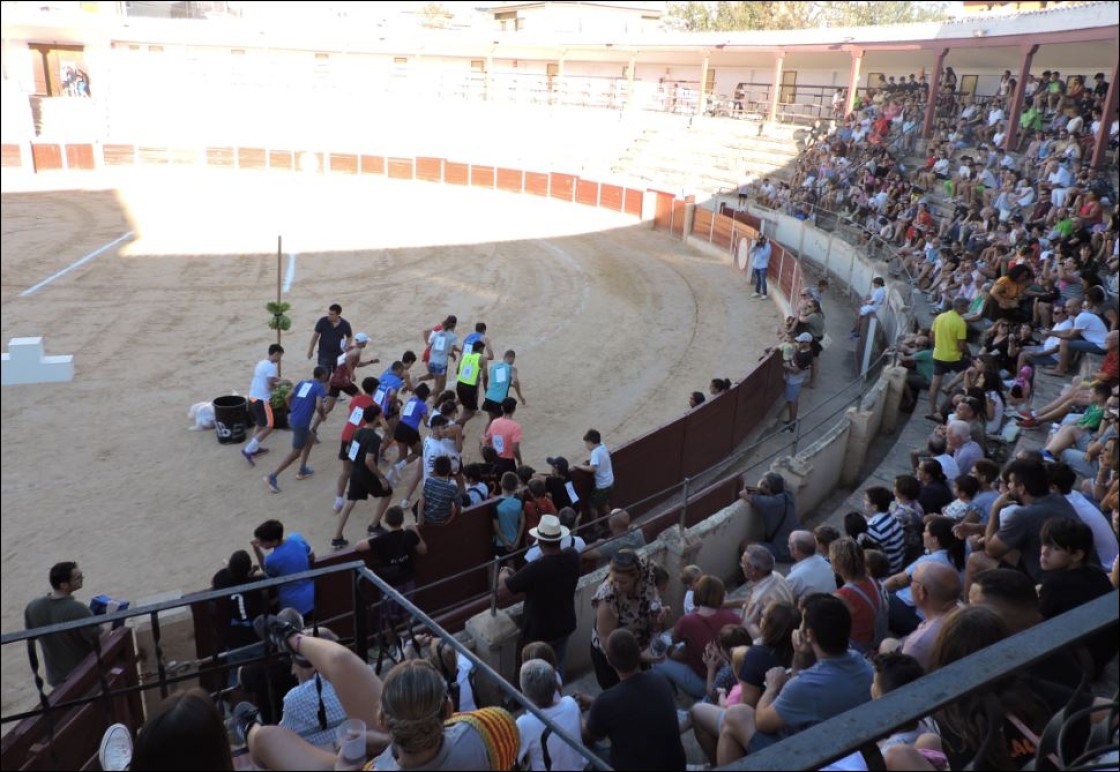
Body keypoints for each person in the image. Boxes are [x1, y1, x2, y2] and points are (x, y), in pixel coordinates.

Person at [237, 618, 519, 771]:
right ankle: (250, 725)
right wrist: (387, 742)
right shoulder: (494, 726)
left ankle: (294, 641)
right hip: (409, 749)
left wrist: (351, 755)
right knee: (269, 738)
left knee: (267, 739)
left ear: (383, 720)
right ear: (447, 709)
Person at [715, 594, 874, 765]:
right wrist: (799, 653)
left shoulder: (805, 686)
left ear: (810, 634)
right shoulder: (861, 662)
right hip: (846, 744)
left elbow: (761, 722)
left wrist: (772, 687)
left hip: (812, 757)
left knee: (735, 715)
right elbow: (803, 682)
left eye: (802, 622)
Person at [583, 628, 687, 771]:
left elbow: (587, 737)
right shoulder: (659, 679)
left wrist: (571, 710)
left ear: (608, 660)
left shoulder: (605, 703)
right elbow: (633, 706)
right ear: (639, 652)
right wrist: (595, 704)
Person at [499, 514, 581, 677]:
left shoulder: (535, 568)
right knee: (557, 669)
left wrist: (503, 573)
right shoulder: (572, 556)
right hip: (565, 624)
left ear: (540, 543)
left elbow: (502, 591)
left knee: (532, 676)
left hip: (539, 633)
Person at [653, 575, 742, 699]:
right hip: (730, 680)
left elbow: (669, 641)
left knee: (655, 660)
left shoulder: (687, 621)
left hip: (704, 684)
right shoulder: (732, 617)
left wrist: (657, 629)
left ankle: (671, 696)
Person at [588, 549, 662, 690]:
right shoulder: (608, 597)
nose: (617, 585)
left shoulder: (646, 574)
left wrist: (657, 612)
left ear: (636, 576)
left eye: (623, 582)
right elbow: (607, 640)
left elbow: (652, 595)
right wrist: (639, 657)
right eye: (614, 579)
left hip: (641, 647)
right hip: (615, 658)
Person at [882, 516, 964, 637]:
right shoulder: (960, 556)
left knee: (879, 598)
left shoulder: (931, 560)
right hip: (933, 613)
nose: (923, 533)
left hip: (914, 611)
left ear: (934, 539)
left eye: (926, 531)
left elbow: (897, 581)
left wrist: (877, 589)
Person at [355, 506, 427, 641]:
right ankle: (409, 640)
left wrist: (374, 539)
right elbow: (423, 550)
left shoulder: (382, 539)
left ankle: (392, 643)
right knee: (407, 613)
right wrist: (415, 530)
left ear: (387, 522)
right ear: (402, 519)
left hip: (390, 586)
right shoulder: (409, 535)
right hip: (408, 581)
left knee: (388, 618)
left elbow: (358, 546)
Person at [24, 561, 99, 687]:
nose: (82, 579)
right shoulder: (78, 609)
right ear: (64, 585)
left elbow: (31, 638)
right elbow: (99, 639)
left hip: (56, 680)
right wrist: (111, 624)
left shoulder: (32, 608)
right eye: (78, 578)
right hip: (84, 676)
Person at [879, 561, 961, 671]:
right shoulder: (964, 611)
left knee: (886, 644)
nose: (909, 584)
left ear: (921, 592)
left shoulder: (917, 643)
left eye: (910, 581)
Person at [332, 404, 394, 548]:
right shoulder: (374, 438)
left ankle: (337, 537)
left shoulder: (357, 431)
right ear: (377, 417)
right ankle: (374, 526)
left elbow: (350, 453)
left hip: (355, 472)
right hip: (367, 474)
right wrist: (381, 477)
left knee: (350, 503)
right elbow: (369, 461)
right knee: (387, 493)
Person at [264, 366, 328, 494]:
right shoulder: (320, 387)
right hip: (301, 423)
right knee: (295, 453)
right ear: (322, 376)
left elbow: (287, 397)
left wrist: (293, 409)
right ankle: (272, 476)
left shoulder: (303, 382)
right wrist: (322, 415)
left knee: (310, 439)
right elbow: (319, 405)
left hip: (293, 418)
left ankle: (302, 469)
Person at [279, 628, 347, 748]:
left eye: (295, 662)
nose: (292, 671)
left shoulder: (294, 699)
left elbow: (281, 745)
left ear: (310, 663)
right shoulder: (359, 678)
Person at [516, 659, 587, 772]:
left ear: (524, 695)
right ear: (555, 687)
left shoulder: (524, 723)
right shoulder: (571, 703)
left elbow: (516, 760)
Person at [333, 376, 381, 514]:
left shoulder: (355, 399)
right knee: (357, 469)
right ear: (375, 389)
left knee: (346, 470)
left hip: (347, 435)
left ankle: (338, 501)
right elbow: (379, 424)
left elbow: (350, 416)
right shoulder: (374, 405)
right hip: (358, 439)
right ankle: (351, 498)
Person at [315, 332, 377, 436]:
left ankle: (314, 428)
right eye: (366, 341)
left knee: (328, 408)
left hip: (335, 380)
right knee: (362, 399)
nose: (366, 343)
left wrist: (371, 362)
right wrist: (352, 373)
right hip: (343, 381)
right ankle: (356, 423)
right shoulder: (357, 351)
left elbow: (356, 363)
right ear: (363, 342)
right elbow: (348, 359)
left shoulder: (351, 348)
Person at [251, 520, 316, 620]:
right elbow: (312, 557)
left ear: (275, 541)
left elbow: (265, 572)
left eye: (263, 541)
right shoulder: (297, 538)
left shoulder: (271, 560)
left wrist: (256, 550)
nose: (261, 544)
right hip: (313, 595)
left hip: (292, 607)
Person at [732, 545, 794, 640]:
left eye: (743, 563)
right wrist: (727, 604)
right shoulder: (777, 576)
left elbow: (748, 625)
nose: (742, 567)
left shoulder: (760, 599)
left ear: (753, 570)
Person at [927, 297, 971, 419]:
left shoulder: (940, 317)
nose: (968, 309)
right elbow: (961, 345)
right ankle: (950, 387)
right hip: (953, 357)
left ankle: (932, 410)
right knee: (971, 369)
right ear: (961, 307)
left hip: (938, 354)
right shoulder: (960, 322)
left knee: (935, 384)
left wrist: (937, 346)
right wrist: (968, 353)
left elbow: (931, 334)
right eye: (967, 307)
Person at [739, 472, 797, 562]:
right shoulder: (789, 495)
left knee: (745, 545)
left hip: (784, 552)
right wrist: (763, 489)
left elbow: (743, 494)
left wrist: (759, 489)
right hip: (797, 545)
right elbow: (785, 482)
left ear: (767, 489)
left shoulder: (769, 502)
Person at [242, 344, 284, 464]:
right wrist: (281, 384)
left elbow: (266, 378)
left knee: (260, 424)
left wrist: (278, 379)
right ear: (276, 353)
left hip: (252, 398)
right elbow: (270, 383)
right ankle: (248, 449)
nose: (279, 359)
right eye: (279, 356)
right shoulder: (271, 367)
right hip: (262, 400)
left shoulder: (261, 363)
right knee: (269, 426)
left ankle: (254, 448)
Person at [581, 508, 646, 567]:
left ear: (611, 525)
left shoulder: (613, 544)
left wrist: (600, 543)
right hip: (641, 564)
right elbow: (633, 526)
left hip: (626, 571)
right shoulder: (637, 531)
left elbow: (584, 552)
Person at [481, 349, 526, 431]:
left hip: (489, 397)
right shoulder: (512, 368)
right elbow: (515, 381)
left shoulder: (494, 367)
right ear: (511, 358)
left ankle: (485, 439)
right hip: (499, 400)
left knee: (491, 421)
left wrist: (510, 385)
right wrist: (520, 396)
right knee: (500, 422)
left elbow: (500, 382)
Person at [785, 530, 838, 600]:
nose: (788, 546)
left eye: (789, 543)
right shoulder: (824, 561)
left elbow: (783, 601)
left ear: (795, 549)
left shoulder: (795, 577)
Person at [575, 429, 614, 522]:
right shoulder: (602, 446)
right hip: (610, 481)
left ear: (590, 442)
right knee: (604, 502)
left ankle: (596, 527)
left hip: (602, 486)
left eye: (586, 443)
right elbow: (609, 453)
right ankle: (612, 520)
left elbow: (592, 468)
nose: (586, 445)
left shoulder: (595, 453)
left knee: (592, 504)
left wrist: (579, 466)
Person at [306, 304, 352, 377]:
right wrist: (310, 351)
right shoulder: (322, 321)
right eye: (329, 313)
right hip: (324, 354)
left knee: (337, 375)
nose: (329, 316)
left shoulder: (345, 324)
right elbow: (315, 336)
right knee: (323, 375)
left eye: (332, 314)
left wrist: (346, 348)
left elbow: (349, 337)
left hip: (338, 354)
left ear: (338, 314)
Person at [420, 315, 461, 397]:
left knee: (437, 384)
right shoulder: (453, 336)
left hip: (432, 362)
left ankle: (434, 403)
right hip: (441, 364)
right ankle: (423, 397)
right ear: (455, 325)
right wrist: (453, 355)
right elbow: (450, 351)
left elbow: (429, 346)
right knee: (441, 388)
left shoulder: (438, 333)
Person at [483, 397, 523, 477]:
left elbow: (486, 440)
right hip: (508, 462)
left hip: (494, 459)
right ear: (514, 410)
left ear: (502, 408)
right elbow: (515, 449)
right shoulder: (516, 427)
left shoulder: (494, 422)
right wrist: (519, 460)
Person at [418, 455, 461, 527]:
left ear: (434, 470)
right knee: (453, 507)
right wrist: (458, 513)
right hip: (444, 521)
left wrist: (420, 520)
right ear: (449, 471)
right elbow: (458, 506)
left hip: (428, 519)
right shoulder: (452, 488)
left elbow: (422, 500)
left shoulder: (429, 481)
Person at [454, 339, 488, 429]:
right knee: (471, 412)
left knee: (464, 403)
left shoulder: (464, 356)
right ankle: (455, 423)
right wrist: (485, 388)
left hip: (459, 384)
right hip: (470, 388)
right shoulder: (482, 358)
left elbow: (457, 371)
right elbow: (485, 376)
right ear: (480, 349)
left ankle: (458, 429)